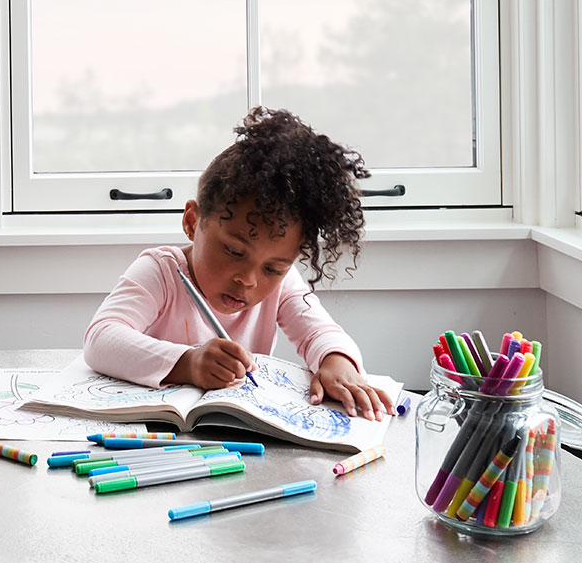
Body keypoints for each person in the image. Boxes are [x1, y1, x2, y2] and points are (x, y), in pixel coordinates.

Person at [82, 106, 393, 420]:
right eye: (233, 251)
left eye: (272, 268)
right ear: (192, 221)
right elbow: (101, 339)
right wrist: (187, 363)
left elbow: (319, 332)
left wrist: (337, 362)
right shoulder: (162, 271)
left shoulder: (282, 284)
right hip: (153, 436)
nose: (249, 280)